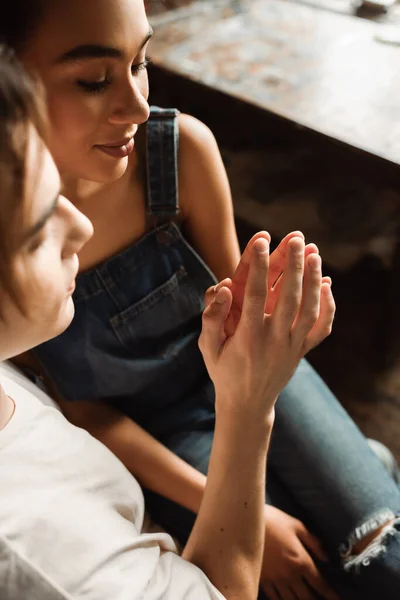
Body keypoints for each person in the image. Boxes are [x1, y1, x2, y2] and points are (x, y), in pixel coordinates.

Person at [1, 2, 400, 598]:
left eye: (142, 62)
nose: (137, 105)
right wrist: (253, 512)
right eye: (94, 80)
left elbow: (240, 323)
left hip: (244, 376)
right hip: (144, 432)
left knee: (381, 554)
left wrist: (280, 327)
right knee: (309, 572)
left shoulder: (178, 150)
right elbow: (83, 412)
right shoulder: (15, 252)